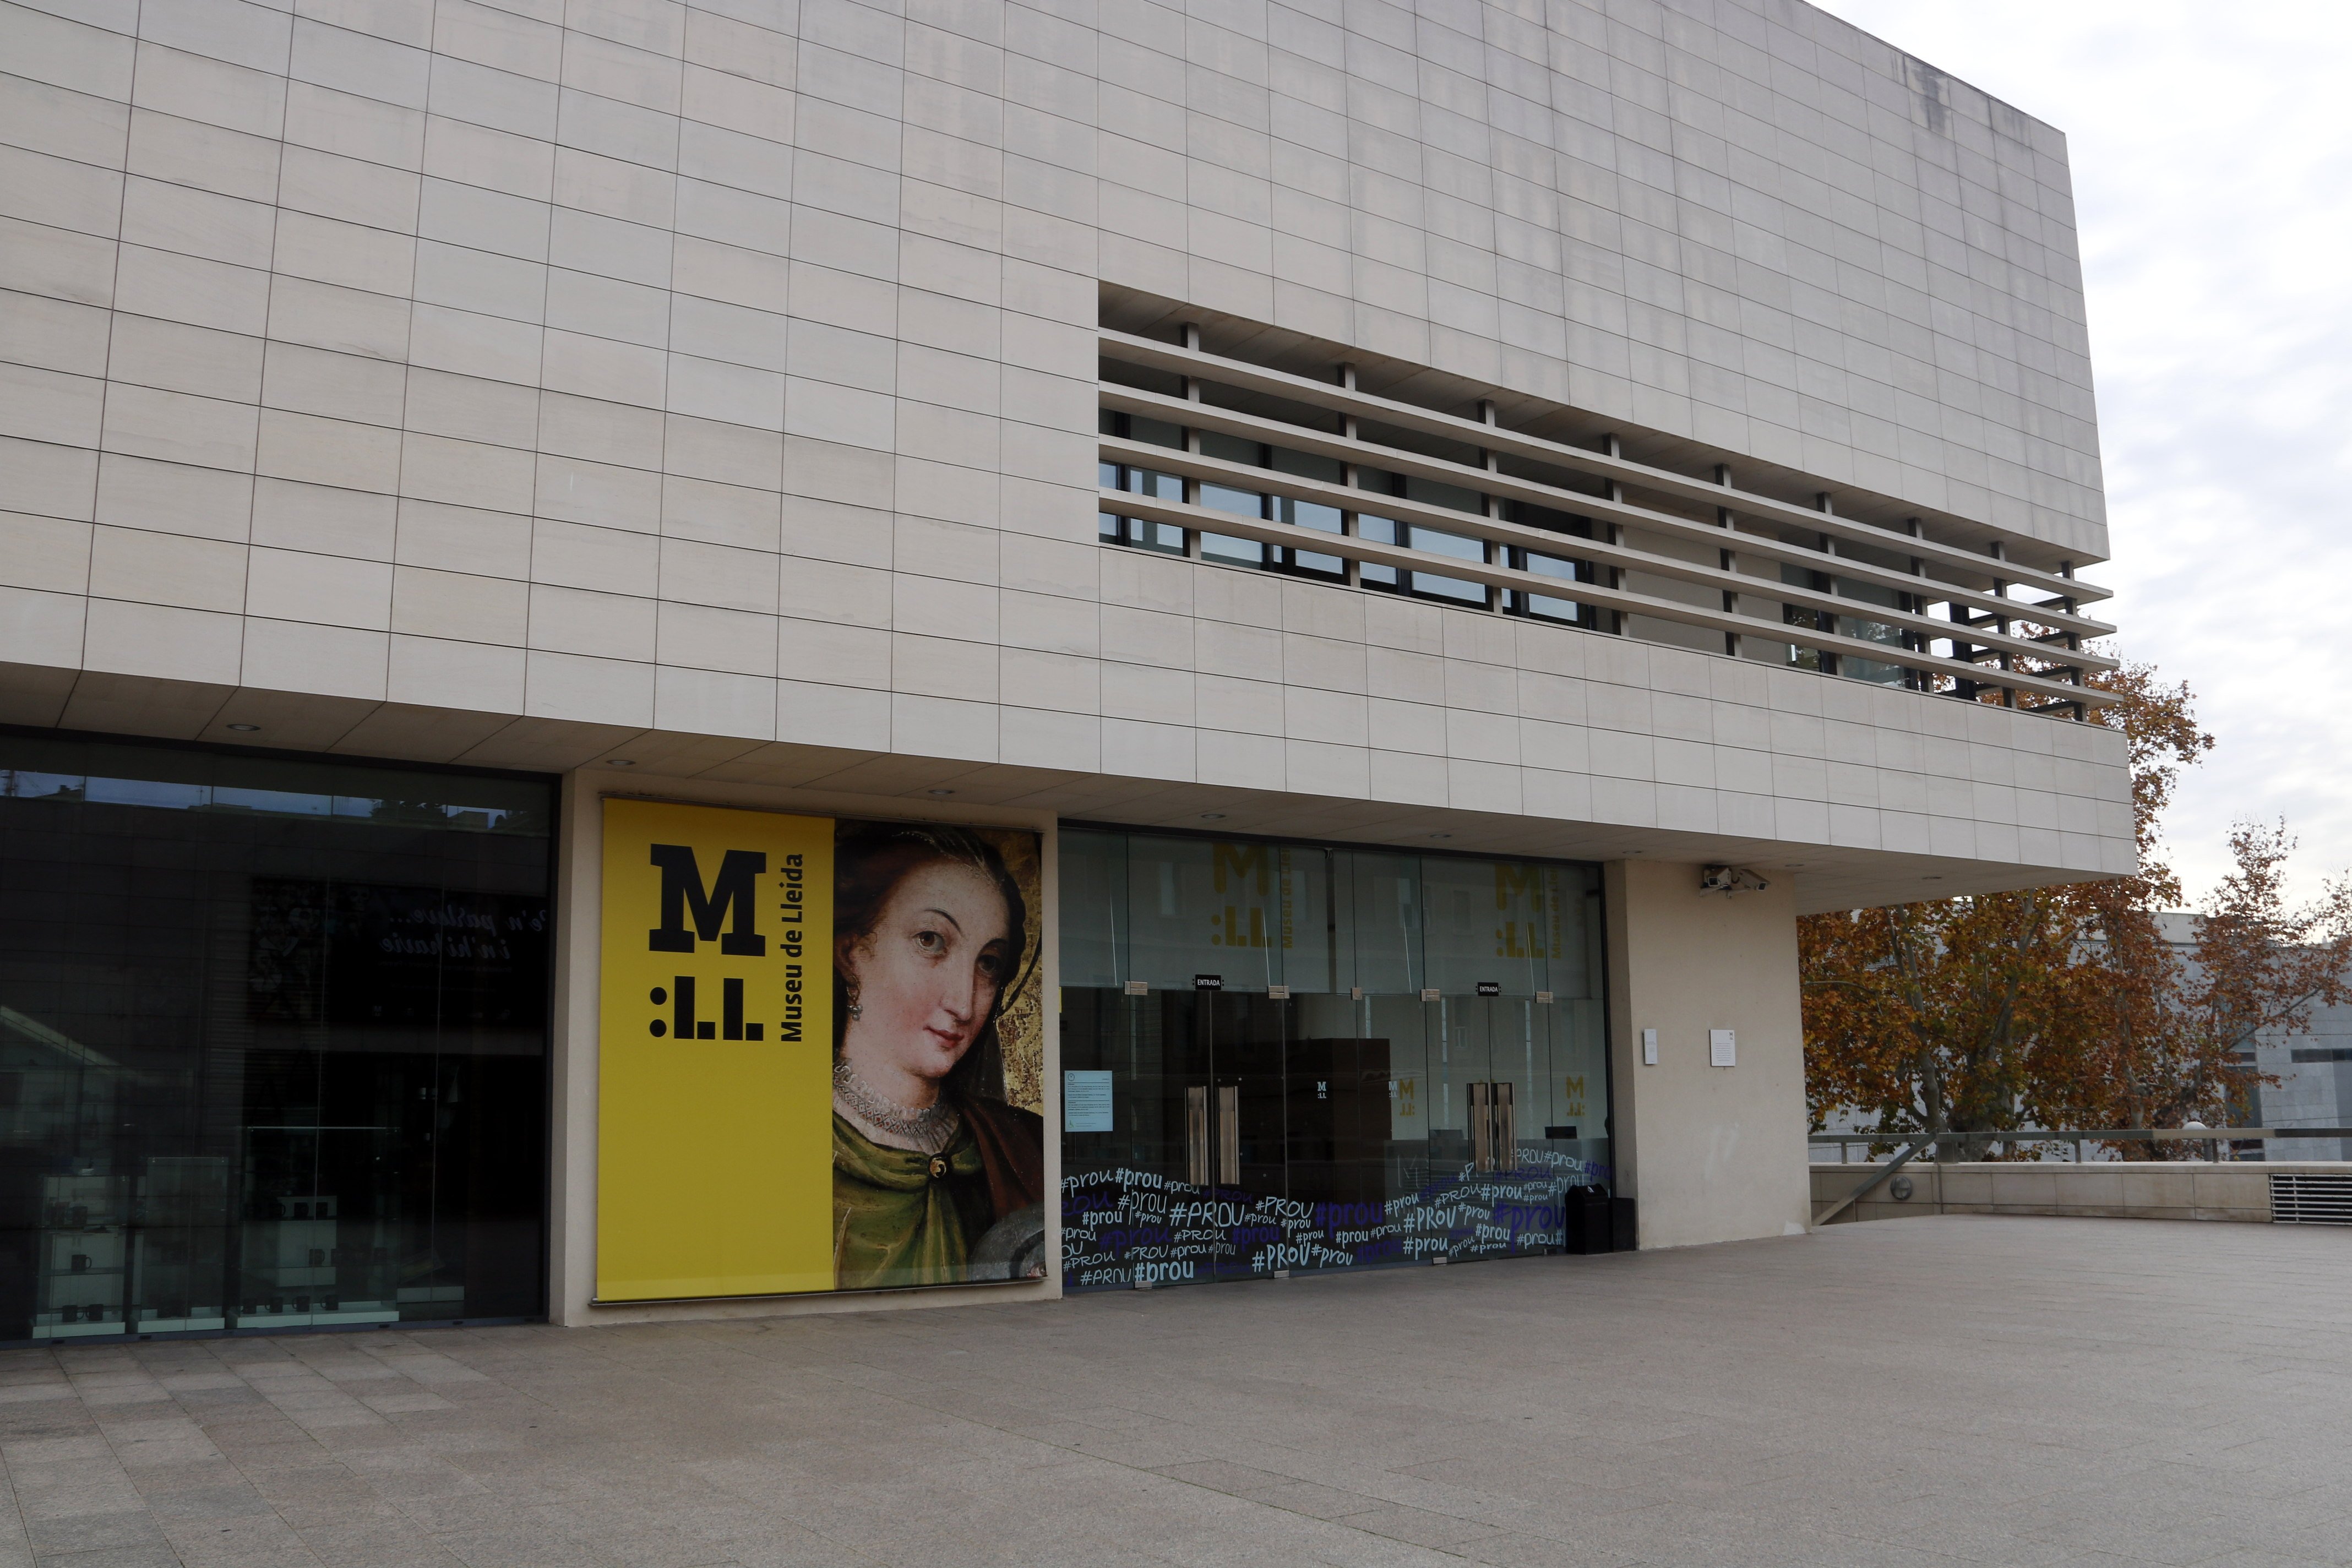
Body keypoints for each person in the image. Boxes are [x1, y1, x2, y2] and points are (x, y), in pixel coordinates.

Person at [830, 823, 1044, 1288]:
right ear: (851, 952)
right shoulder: (788, 1136)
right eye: (931, 941)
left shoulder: (1019, 1143)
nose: (964, 1003)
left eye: (987, 963)